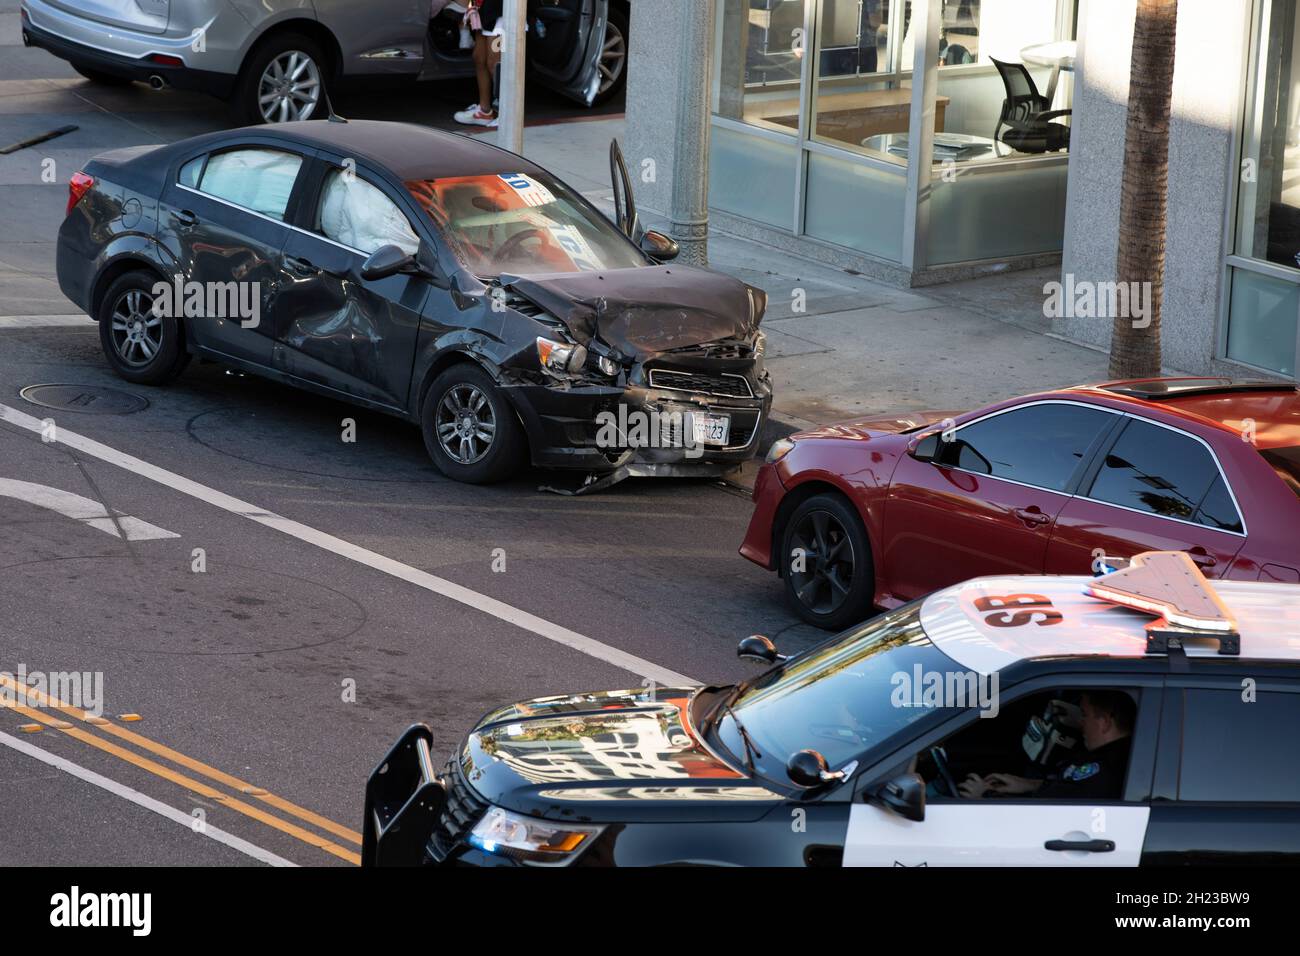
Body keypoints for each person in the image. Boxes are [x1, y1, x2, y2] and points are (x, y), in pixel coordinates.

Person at [957, 690, 1135, 800]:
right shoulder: (1111, 756)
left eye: (1084, 714)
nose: (1080, 722)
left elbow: (1039, 811)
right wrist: (1028, 784)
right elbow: (1065, 786)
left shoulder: (1103, 772)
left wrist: (983, 797)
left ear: (1104, 722)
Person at [453, 0, 508, 129]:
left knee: (495, 63)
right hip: (484, 9)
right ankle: (484, 111)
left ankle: (507, 114)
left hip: (503, 12)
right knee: (479, 58)